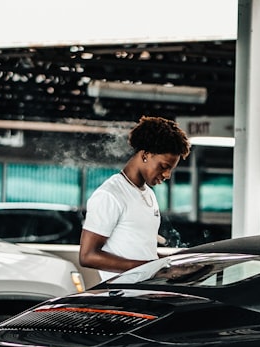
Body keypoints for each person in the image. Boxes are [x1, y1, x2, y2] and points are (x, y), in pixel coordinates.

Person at [79, 116, 191, 280]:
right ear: (145, 155)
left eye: (171, 169)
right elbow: (87, 256)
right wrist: (154, 269)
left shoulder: (149, 193)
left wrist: (173, 265)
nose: (167, 175)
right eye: (164, 167)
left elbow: (143, 251)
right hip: (122, 296)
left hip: (145, 292)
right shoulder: (110, 194)